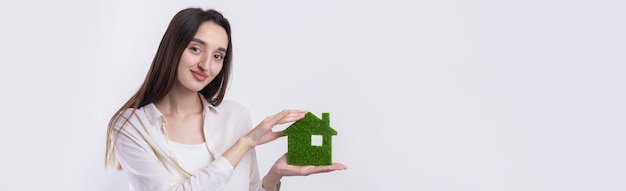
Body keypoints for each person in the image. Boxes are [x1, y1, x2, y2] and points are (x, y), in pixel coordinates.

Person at [104, 7, 347, 191]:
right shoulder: (131, 126)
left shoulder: (236, 116)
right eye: (196, 49)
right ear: (173, 47)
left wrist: (274, 176)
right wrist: (245, 142)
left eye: (218, 56)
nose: (205, 64)